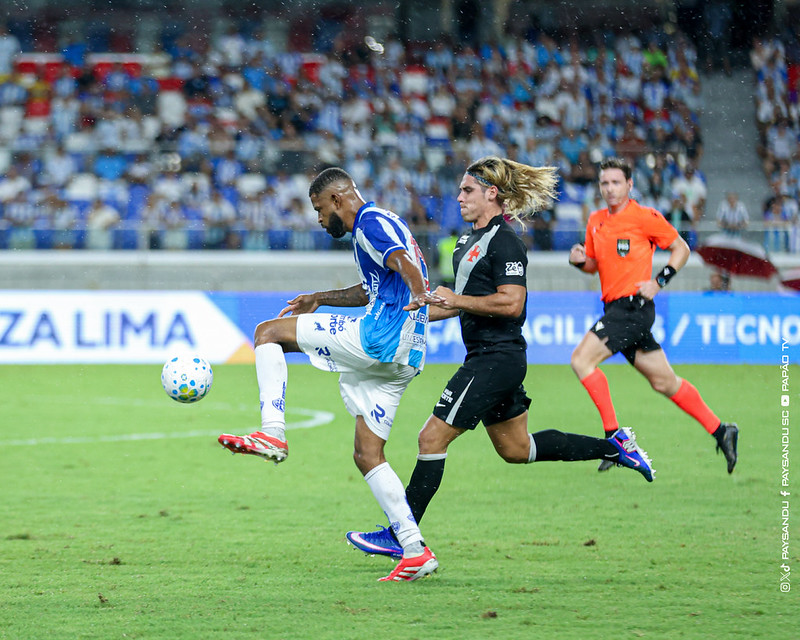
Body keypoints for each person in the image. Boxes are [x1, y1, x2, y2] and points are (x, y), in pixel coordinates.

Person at [345, 156, 655, 560]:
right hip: (490, 357)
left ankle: (402, 534)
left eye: (467, 190)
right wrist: (412, 315)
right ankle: (615, 448)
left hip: (495, 358)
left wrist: (456, 300)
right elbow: (457, 303)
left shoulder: (505, 241)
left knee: (430, 438)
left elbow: (512, 303)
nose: (459, 197)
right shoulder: (464, 243)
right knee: (516, 449)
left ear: (492, 193)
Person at [218, 167, 441, 582]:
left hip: (379, 340)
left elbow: (402, 262)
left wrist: (418, 293)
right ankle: (415, 550)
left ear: (338, 200)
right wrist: (319, 298)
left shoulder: (370, 222)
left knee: (267, 333)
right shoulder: (382, 224)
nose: (320, 220)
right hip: (406, 356)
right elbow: (371, 288)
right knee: (367, 454)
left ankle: (273, 432)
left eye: (320, 210)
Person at [567, 157, 738, 474]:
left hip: (633, 308)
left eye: (616, 182)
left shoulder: (645, 217)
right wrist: (579, 261)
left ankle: (614, 439)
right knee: (664, 382)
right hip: (616, 309)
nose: (610, 188)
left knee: (581, 360)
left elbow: (681, 249)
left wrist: (659, 282)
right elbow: (594, 265)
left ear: (629, 185)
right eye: (605, 183)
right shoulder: (595, 221)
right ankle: (721, 430)